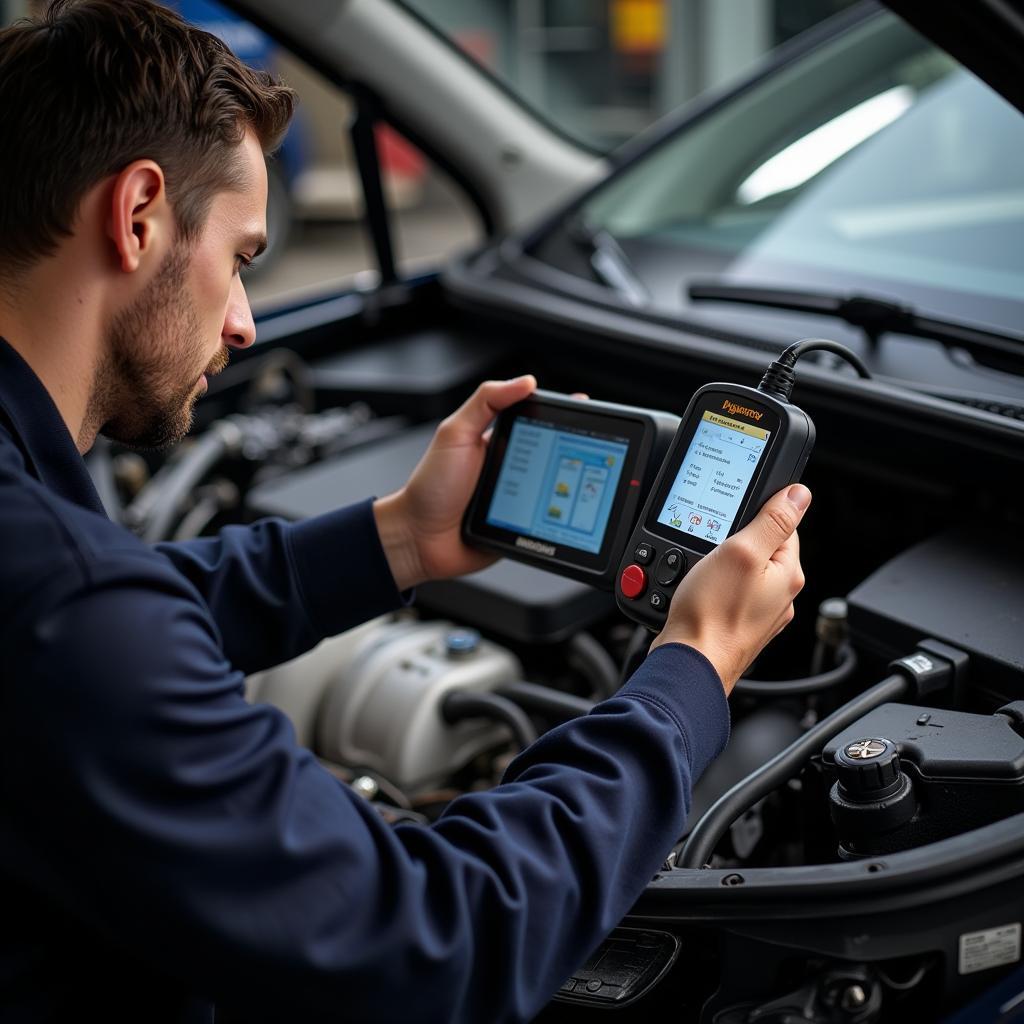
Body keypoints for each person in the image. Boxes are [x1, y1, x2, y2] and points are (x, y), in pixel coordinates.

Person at [0, 2, 810, 1021]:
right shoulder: (65, 602)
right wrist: (689, 673)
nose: (245, 323)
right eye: (243, 258)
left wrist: (396, 540)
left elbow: (95, 628)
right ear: (137, 215)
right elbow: (437, 944)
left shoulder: (44, 567)